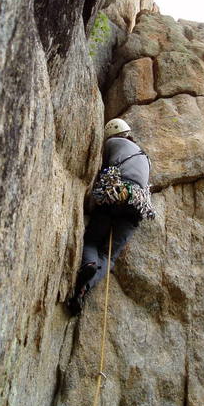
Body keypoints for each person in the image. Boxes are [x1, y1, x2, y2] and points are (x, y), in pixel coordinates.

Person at [67, 118, 155, 316]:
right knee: (108, 256)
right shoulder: (146, 157)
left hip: (116, 194)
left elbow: (102, 169)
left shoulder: (112, 143)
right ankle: (83, 290)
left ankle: (88, 264)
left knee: (92, 241)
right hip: (137, 205)